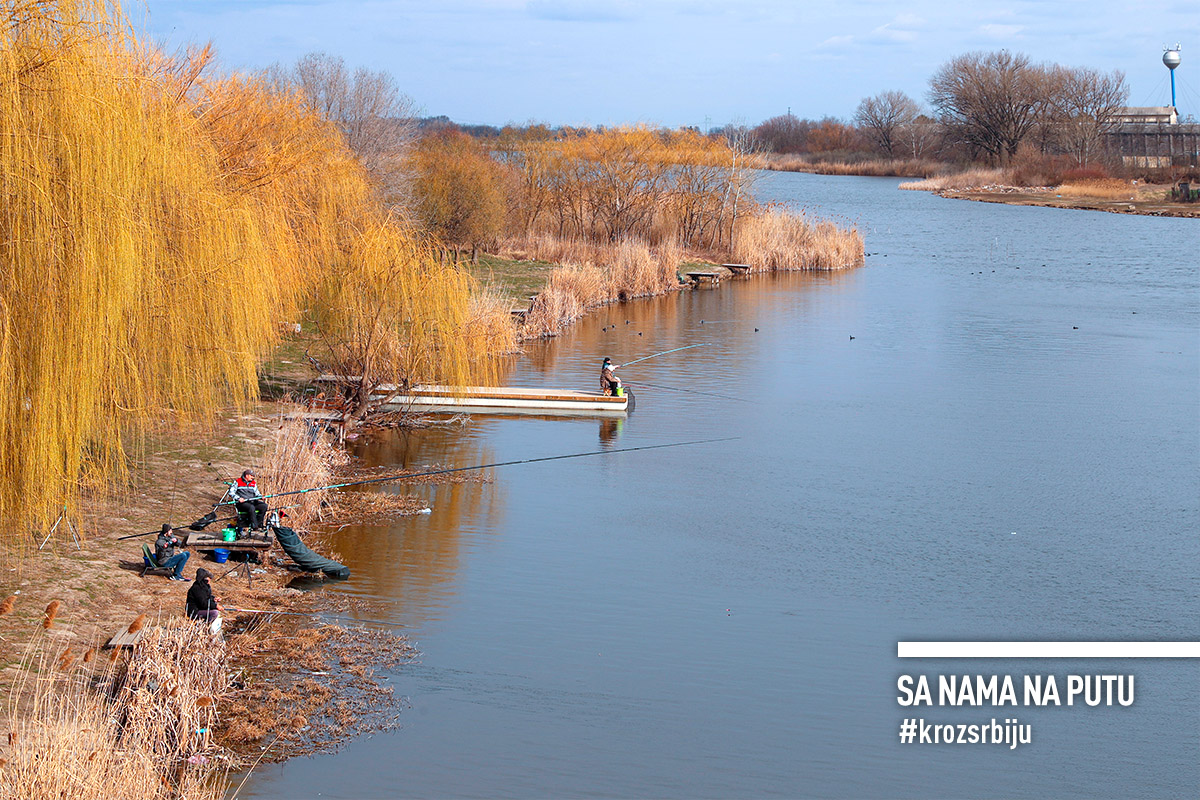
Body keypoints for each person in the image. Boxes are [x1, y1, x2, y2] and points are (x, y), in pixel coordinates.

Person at [185, 568, 221, 634]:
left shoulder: (204, 586)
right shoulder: (197, 588)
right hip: (194, 611)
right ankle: (204, 628)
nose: (209, 581)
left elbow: (206, 596)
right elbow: (204, 603)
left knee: (214, 608)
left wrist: (213, 598)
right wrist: (216, 606)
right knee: (214, 613)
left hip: (200, 608)